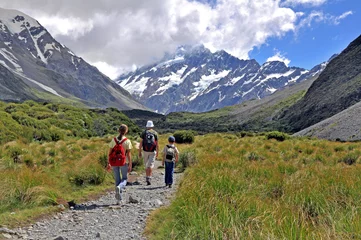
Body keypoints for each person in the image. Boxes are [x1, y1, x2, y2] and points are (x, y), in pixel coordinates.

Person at [108, 124, 132, 204]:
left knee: (117, 179)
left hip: (114, 162)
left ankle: (119, 200)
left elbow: (110, 152)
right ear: (126, 131)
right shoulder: (127, 141)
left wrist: (109, 163)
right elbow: (128, 154)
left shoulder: (113, 140)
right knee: (124, 178)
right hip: (123, 162)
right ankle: (120, 187)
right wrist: (130, 164)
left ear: (118, 130)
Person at [139, 120, 159, 185]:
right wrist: (157, 152)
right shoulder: (155, 133)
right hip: (153, 151)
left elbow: (141, 143)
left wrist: (139, 151)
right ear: (152, 126)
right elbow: (157, 144)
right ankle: (149, 177)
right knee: (150, 165)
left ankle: (147, 177)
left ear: (147, 126)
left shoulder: (144, 133)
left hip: (145, 151)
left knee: (146, 164)